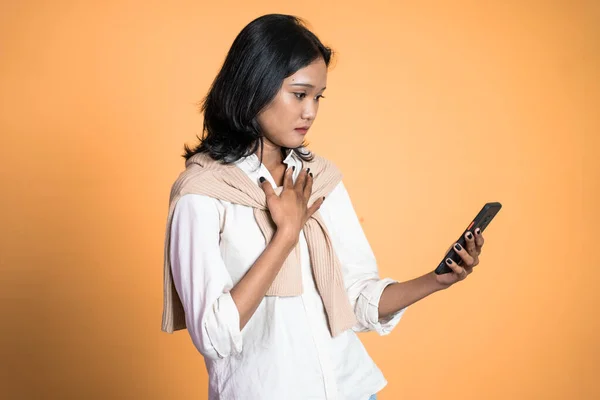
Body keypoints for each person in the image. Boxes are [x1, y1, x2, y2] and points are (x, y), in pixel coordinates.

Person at [161, 14, 485, 400]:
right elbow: (214, 336)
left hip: (352, 389)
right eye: (299, 94)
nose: (311, 111)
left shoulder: (318, 179)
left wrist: (437, 279)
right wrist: (285, 236)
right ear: (254, 88)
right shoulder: (203, 195)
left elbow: (356, 298)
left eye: (318, 96)